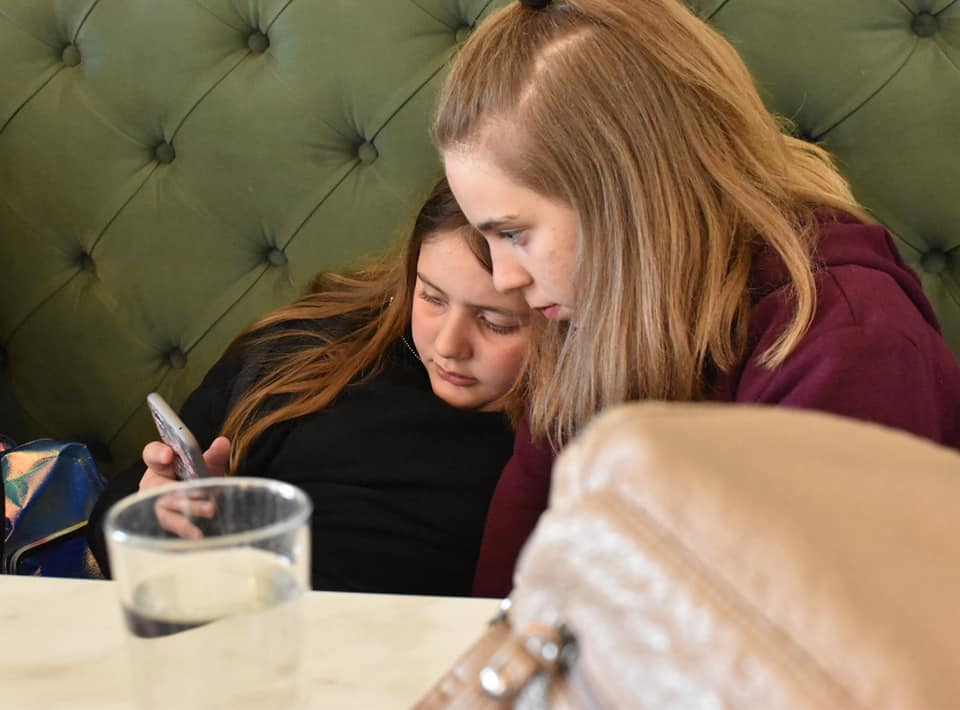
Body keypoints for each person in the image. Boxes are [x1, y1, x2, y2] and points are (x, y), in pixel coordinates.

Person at [433, 0, 960, 596]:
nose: (504, 278)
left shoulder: (851, 345)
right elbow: (518, 564)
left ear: (628, 199)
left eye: (513, 233)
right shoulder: (589, 303)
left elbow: (810, 628)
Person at [87, 178, 532, 596]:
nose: (449, 346)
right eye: (432, 297)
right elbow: (114, 515)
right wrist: (156, 515)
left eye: (497, 322)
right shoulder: (309, 347)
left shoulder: (550, 444)